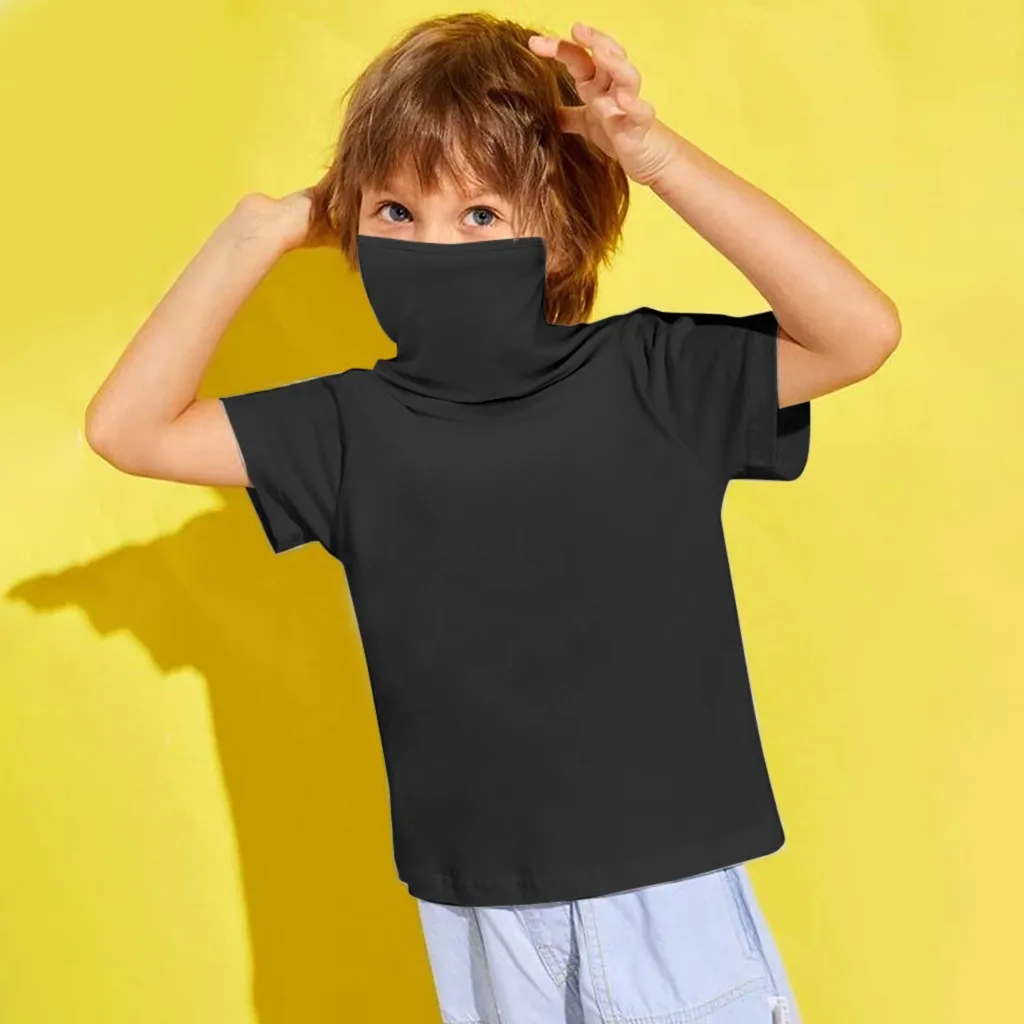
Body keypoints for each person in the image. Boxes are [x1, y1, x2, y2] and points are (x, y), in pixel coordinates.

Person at [84, 13, 900, 1024]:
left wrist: (653, 157)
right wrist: (263, 227)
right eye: (395, 209)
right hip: (477, 913)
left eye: (478, 213)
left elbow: (858, 333)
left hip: (665, 900)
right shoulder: (348, 427)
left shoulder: (649, 377)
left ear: (558, 229)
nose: (434, 244)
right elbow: (128, 429)